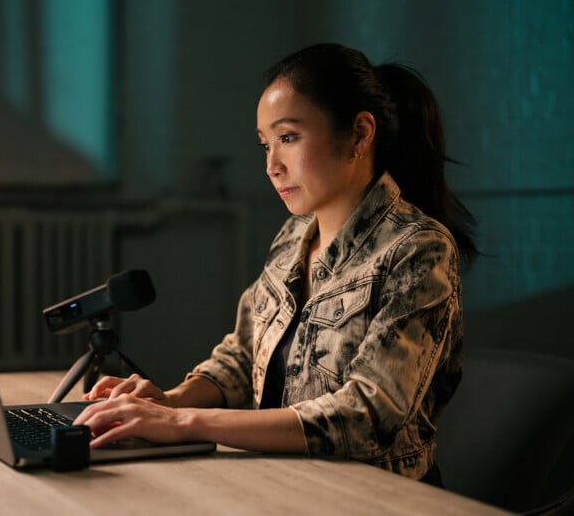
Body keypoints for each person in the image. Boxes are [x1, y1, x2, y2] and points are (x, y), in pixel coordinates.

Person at [73, 43, 477, 484]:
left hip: (375, 497)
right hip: (284, 482)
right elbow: (242, 357)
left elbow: (366, 416)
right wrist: (169, 401)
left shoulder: (418, 249)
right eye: (265, 144)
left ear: (360, 134)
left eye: (288, 138)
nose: (271, 166)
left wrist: (185, 422)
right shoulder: (293, 237)